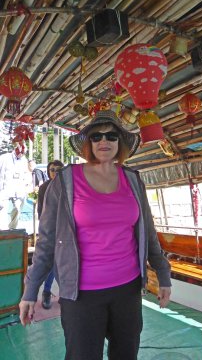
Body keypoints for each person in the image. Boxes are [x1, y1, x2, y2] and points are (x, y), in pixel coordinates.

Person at [19, 110, 171, 360]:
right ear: (88, 142)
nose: (104, 141)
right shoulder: (66, 181)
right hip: (81, 294)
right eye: (96, 136)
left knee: (126, 354)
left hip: (128, 289)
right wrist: (30, 290)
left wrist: (162, 274)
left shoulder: (132, 179)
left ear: (119, 142)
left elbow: (148, 231)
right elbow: (46, 241)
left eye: (112, 136)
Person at [37, 160, 64, 309]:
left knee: (65, 262)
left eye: (58, 169)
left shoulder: (68, 186)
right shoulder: (44, 188)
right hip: (51, 231)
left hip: (67, 230)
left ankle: (65, 292)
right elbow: (41, 211)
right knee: (53, 262)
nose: (55, 172)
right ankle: (46, 291)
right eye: (52, 169)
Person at [0, 141, 32, 230]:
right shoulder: (4, 158)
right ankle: (2, 230)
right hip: (4, 188)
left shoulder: (25, 160)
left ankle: (12, 229)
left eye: (23, 152)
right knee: (2, 209)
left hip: (18, 190)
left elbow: (27, 175)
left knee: (17, 208)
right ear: (16, 149)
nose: (21, 154)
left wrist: (28, 186)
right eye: (21, 151)